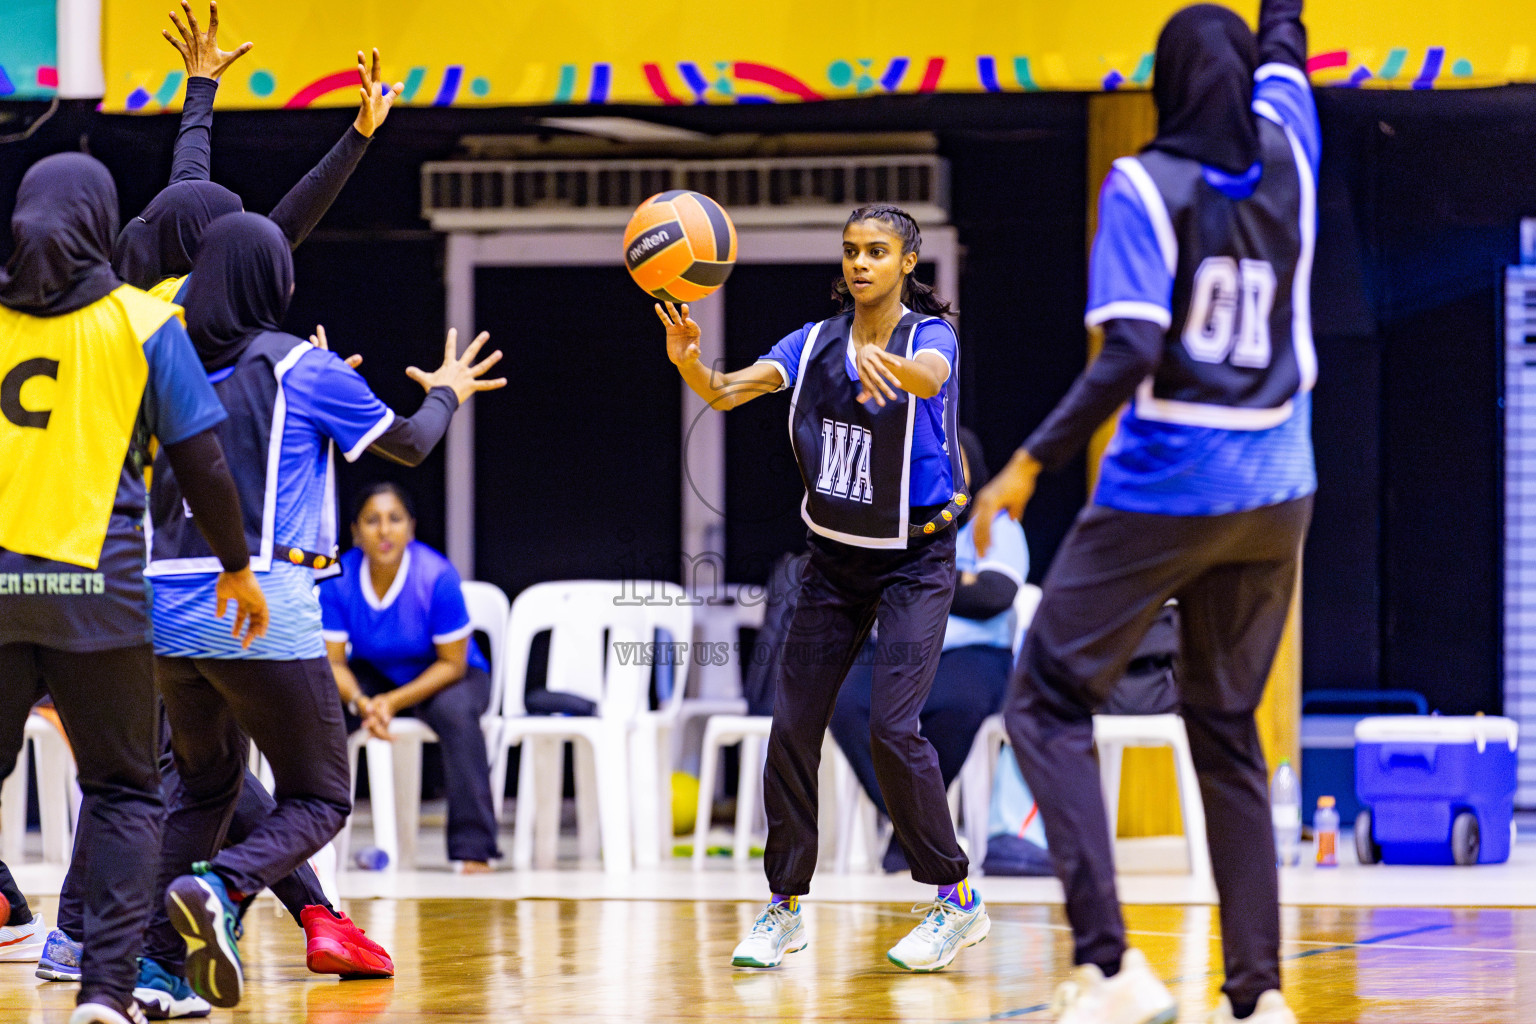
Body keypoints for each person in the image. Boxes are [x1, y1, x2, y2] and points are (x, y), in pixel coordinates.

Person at [40, 7, 406, 995]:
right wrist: (358, 139)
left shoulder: (130, 309)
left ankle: (151, 939)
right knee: (183, 775)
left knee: (181, 771)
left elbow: (193, 196)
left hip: (100, 568)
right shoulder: (184, 328)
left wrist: (200, 96)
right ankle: (109, 933)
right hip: (157, 570)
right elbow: (268, 225)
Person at [972, 1, 1317, 1021]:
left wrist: (1028, 463)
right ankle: (1259, 998)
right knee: (1228, 727)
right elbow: (1288, 47)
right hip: (1279, 489)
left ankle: (1113, 964)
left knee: (1042, 700)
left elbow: (1127, 349)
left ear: (1164, 82)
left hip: (1172, 480)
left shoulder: (1140, 182)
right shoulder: (1290, 143)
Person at [138, 213, 504, 1011]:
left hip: (165, 607)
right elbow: (408, 443)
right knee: (322, 797)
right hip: (259, 605)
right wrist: (447, 390)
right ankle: (222, 888)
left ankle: (156, 970)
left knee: (205, 789)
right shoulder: (302, 365)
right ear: (274, 282)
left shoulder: (159, 362)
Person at [659, 204, 988, 973]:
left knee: (892, 728)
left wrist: (896, 373)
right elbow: (730, 390)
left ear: (907, 262)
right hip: (834, 562)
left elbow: (931, 376)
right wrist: (688, 363)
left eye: (877, 251)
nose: (860, 263)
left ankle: (956, 899)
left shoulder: (929, 339)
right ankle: (785, 908)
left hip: (916, 558)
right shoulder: (812, 345)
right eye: (850, 251)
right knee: (791, 728)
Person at [0, 152, 265, 1024]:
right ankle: (107, 994)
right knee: (121, 790)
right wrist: (234, 566)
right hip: (97, 595)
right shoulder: (144, 324)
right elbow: (206, 465)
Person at [828, 427, 1027, 872]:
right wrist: (957, 582)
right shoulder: (896, 528)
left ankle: (909, 834)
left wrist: (918, 583)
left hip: (974, 654)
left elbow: (995, 594)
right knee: (844, 702)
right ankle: (914, 825)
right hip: (903, 649)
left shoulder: (993, 522)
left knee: (958, 707)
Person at [112, 1, 402, 304]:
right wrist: (358, 136)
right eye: (233, 227)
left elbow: (187, 188)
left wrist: (201, 85)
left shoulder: (125, 299)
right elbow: (284, 228)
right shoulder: (191, 299)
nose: (245, 233)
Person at [319, 483, 502, 872]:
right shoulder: (339, 578)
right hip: (376, 671)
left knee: (456, 715)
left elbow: (452, 663)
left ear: (411, 528)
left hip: (447, 674)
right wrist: (362, 702)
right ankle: (310, 844)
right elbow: (333, 662)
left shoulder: (437, 576)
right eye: (372, 520)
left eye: (395, 519)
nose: (384, 531)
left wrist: (392, 702)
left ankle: (474, 849)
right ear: (355, 531)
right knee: (321, 708)